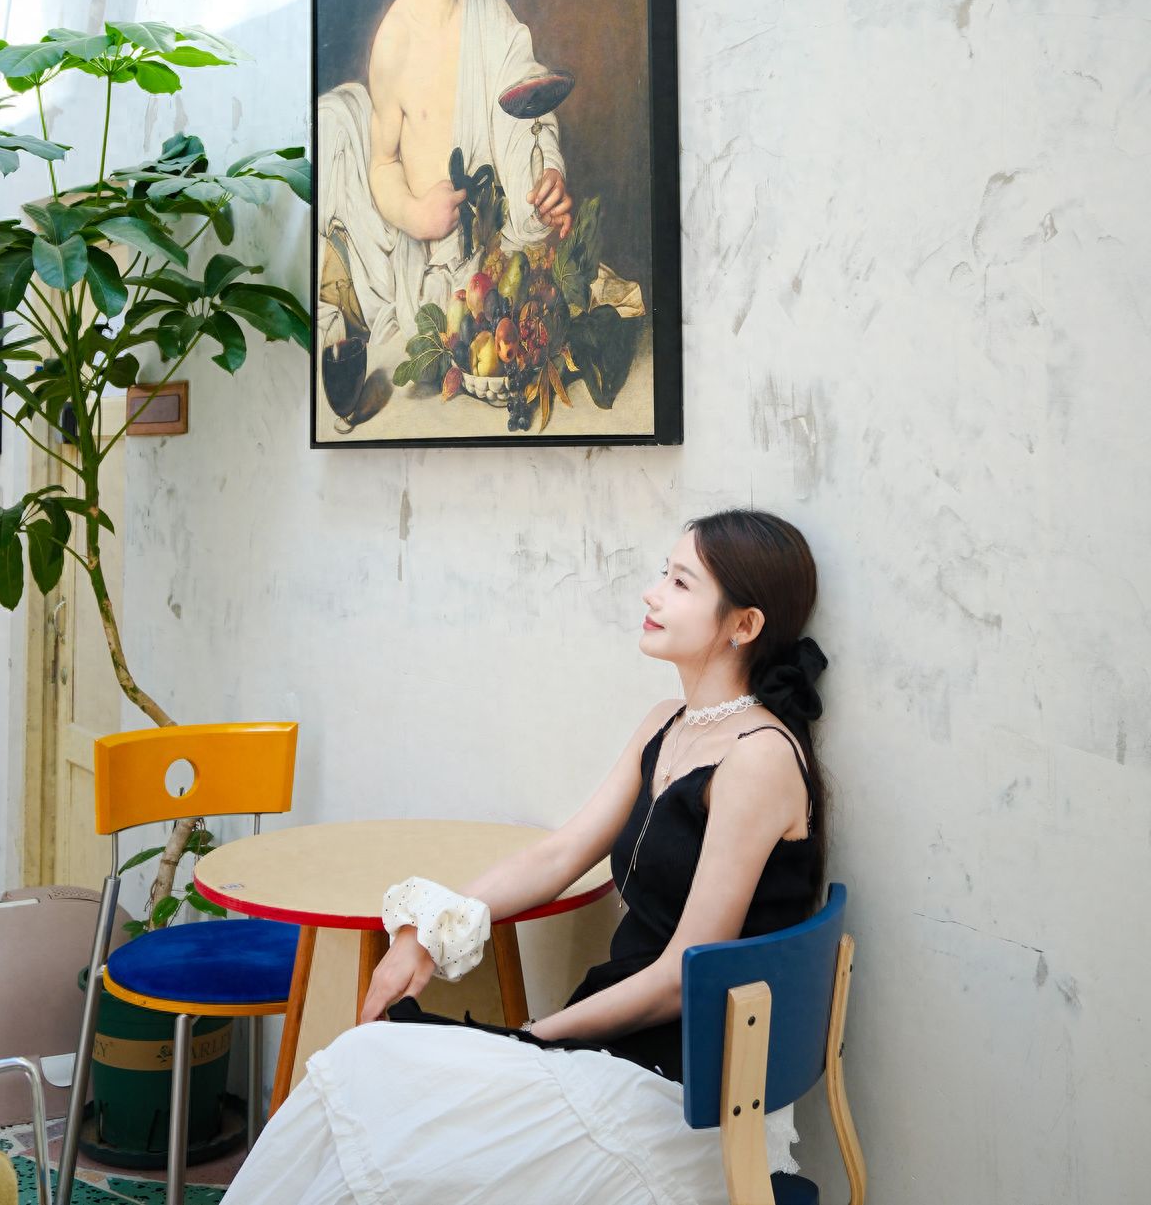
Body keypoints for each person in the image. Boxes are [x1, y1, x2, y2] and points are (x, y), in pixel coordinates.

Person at [223, 510, 829, 1203]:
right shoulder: (667, 722)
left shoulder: (758, 759)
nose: (652, 593)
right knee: (365, 1072)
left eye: (681, 581)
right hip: (621, 1050)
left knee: (370, 1073)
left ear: (742, 625)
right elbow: (564, 850)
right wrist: (434, 927)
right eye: (665, 573)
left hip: (682, 1093)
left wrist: (534, 1035)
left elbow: (676, 978)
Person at [317, 0, 573, 372]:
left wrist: (548, 182)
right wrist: (416, 214)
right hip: (422, 241)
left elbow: (528, 111)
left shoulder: (491, 15)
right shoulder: (394, 40)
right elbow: (382, 164)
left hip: (488, 239)